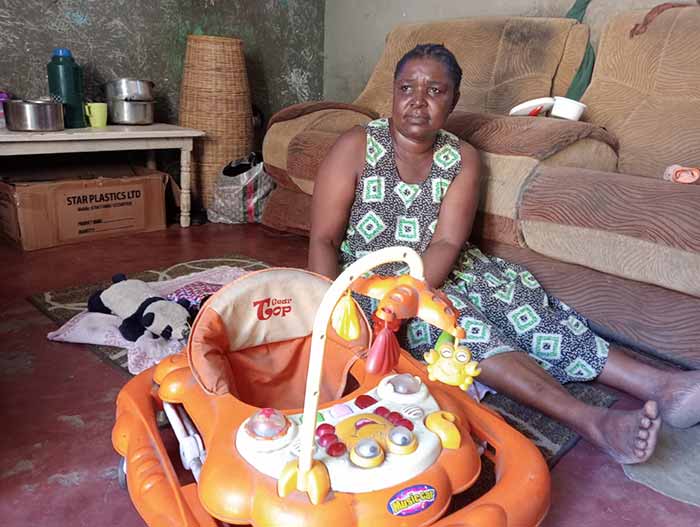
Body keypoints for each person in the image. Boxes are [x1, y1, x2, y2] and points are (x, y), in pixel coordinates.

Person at [308, 43, 700, 464]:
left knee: (527, 310)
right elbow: (323, 240)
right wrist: (331, 313)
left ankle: (660, 384)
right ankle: (590, 420)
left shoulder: (461, 158)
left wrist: (419, 288)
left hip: (445, 267)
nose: (418, 102)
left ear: (453, 101)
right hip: (372, 280)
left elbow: (445, 243)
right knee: (462, 331)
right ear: (394, 92)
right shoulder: (357, 145)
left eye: (435, 91)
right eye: (407, 88)